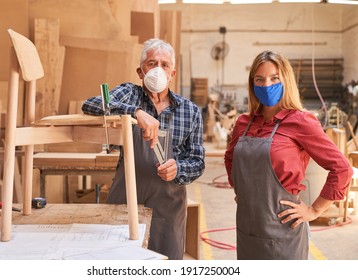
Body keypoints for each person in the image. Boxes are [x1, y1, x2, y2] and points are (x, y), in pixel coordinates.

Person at [81, 38, 205, 260]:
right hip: (126, 202)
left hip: (168, 206)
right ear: (140, 71)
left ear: (172, 74)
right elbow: (90, 104)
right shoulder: (129, 93)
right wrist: (135, 113)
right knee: (120, 263)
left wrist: (179, 168)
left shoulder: (190, 111)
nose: (158, 69)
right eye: (151, 63)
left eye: (164, 64)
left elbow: (197, 161)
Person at [224, 50, 353, 260]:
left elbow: (342, 168)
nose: (266, 85)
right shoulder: (243, 123)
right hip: (247, 228)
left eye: (274, 78)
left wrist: (314, 210)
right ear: (252, 84)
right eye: (260, 79)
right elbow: (230, 159)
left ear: (286, 81)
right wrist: (241, 190)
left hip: (283, 231)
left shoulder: (301, 121)